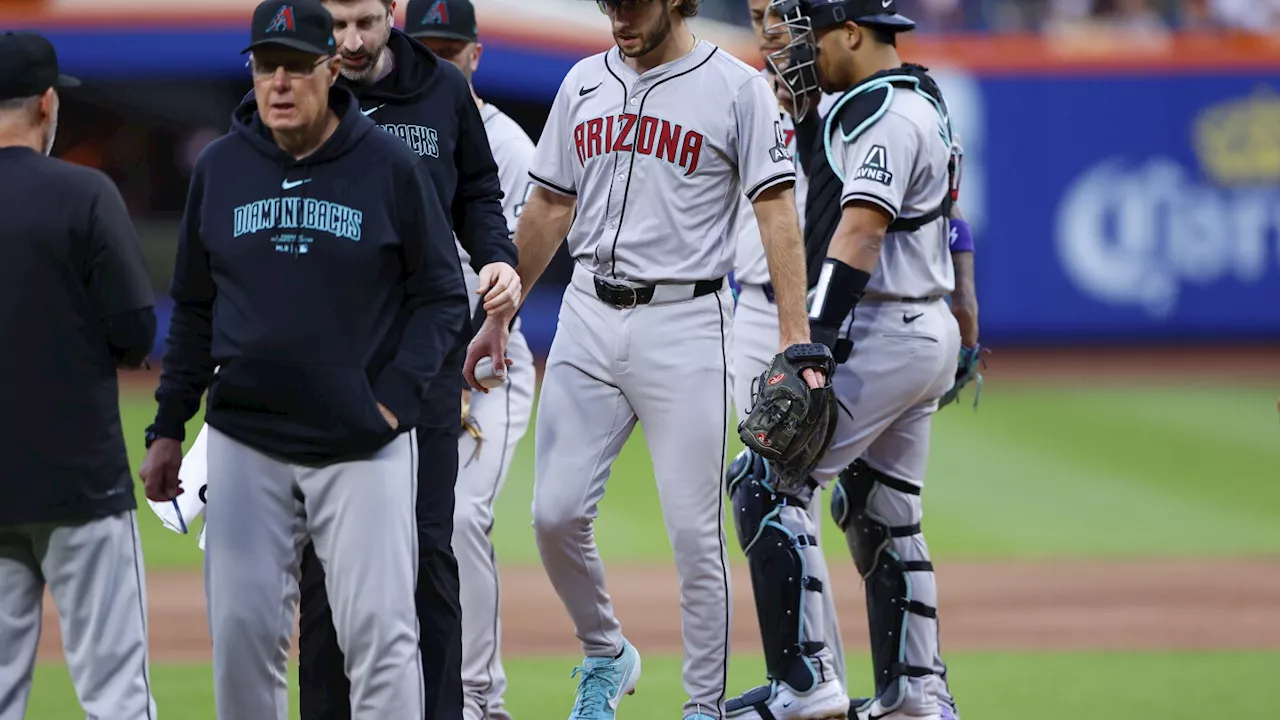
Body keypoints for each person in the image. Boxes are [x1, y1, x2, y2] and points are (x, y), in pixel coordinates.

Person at [467, 0, 820, 717]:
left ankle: (701, 707)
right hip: (588, 315)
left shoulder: (735, 87)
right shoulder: (583, 83)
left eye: (634, 3)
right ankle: (605, 650)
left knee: (696, 539)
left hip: (687, 322)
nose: (620, 16)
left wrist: (794, 334)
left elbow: (775, 208)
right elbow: (547, 209)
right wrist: (496, 318)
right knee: (553, 516)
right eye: (610, 3)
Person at [137, 1, 469, 717]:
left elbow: (444, 295)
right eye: (265, 67)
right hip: (246, 439)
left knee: (381, 639)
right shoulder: (222, 168)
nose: (279, 83)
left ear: (329, 70)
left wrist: (395, 400)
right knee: (241, 639)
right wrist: (168, 427)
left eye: (294, 67)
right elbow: (193, 308)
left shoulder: (388, 165)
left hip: (360, 443)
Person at [726, 1, 972, 719]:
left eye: (813, 36)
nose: (803, 50)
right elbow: (954, 219)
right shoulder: (923, 96)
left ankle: (805, 684)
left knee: (765, 480)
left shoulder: (880, 115)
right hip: (923, 323)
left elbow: (860, 233)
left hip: (882, 329)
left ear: (853, 33)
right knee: (882, 508)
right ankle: (916, 692)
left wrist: (815, 342)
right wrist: (966, 314)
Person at [290, 1, 520, 717]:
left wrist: (497, 258)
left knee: (429, 550)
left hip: (423, 352)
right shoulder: (297, 86)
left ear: (391, 9)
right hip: (325, 356)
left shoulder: (443, 90)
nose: (351, 42)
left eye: (365, 21)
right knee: (323, 561)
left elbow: (479, 193)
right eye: (338, 25)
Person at [0, 31, 158, 720]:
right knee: (115, 693)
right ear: (46, 102)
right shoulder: (85, 193)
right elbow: (135, 334)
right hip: (79, 481)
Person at [406, 1, 538, 718]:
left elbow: (507, 266)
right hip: (405, 363)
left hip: (487, 364)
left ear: (476, 56)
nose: (438, 58)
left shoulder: (509, 146)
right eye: (424, 46)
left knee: (458, 521)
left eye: (449, 47)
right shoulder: (380, 130)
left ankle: (481, 700)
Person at [725, 1, 849, 714]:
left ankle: (814, 682)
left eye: (781, 12)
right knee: (785, 503)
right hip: (750, 311)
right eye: (758, 13)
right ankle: (817, 677)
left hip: (809, 319)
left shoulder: (841, 106)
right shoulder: (746, 92)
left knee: (786, 495)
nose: (769, 26)